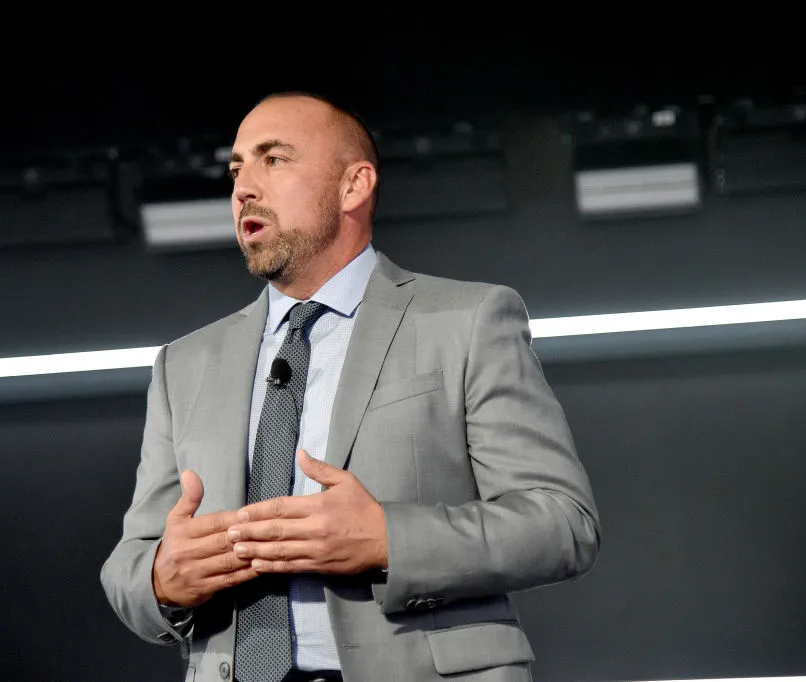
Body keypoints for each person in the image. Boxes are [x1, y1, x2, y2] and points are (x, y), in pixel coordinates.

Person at [101, 91, 601, 682]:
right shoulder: (183, 363)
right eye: (236, 168)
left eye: (274, 159)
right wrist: (163, 579)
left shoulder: (468, 321)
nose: (243, 187)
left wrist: (388, 539)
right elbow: (129, 565)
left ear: (353, 186)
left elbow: (561, 523)